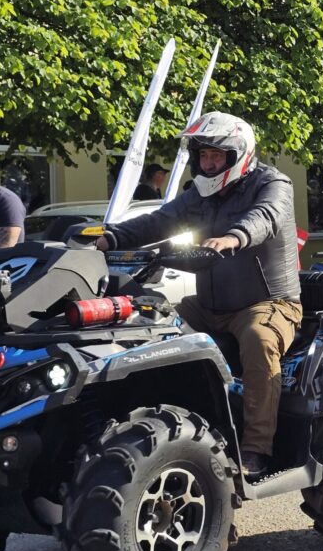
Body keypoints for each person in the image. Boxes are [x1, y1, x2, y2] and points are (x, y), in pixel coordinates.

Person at [96, 112, 302, 479]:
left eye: (216, 156)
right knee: (150, 326)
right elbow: (159, 220)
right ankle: (156, 427)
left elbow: (267, 216)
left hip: (268, 302)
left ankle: (256, 449)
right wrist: (110, 237)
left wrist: (233, 237)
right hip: (207, 306)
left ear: (238, 155)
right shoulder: (199, 195)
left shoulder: (272, 183)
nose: (208, 164)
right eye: (203, 155)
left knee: (259, 340)